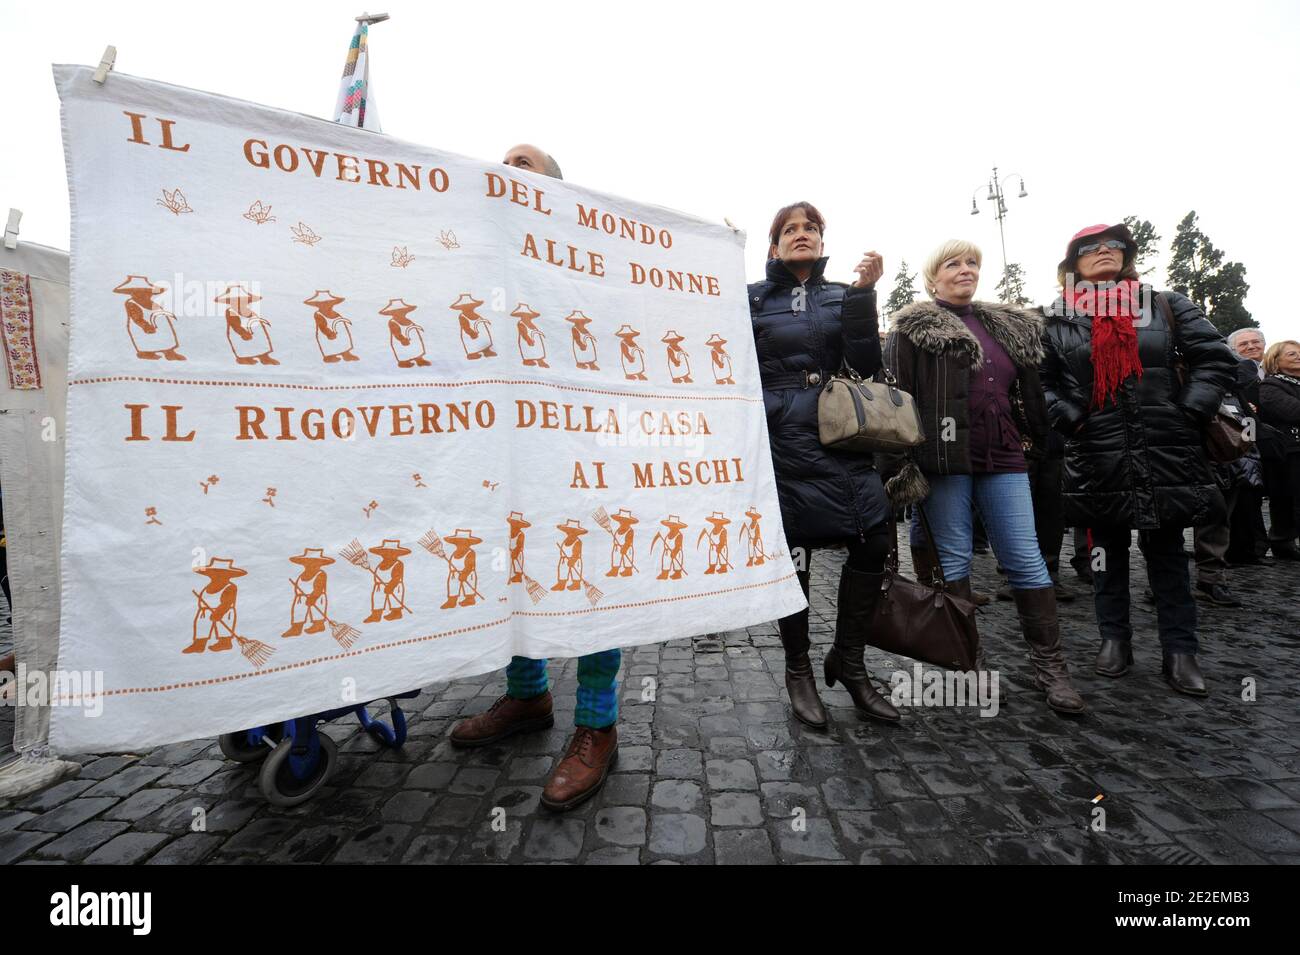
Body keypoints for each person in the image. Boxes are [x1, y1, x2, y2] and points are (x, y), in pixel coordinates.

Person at [449, 145, 620, 814]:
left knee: (593, 574)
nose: (509, 164)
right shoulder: (472, 257)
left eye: (525, 160)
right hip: (500, 451)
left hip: (578, 445)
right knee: (513, 566)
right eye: (503, 159)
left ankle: (599, 723)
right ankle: (527, 693)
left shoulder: (588, 257)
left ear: (553, 187)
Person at [884, 240, 1085, 715]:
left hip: (1005, 455)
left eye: (972, 262)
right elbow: (898, 398)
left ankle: (1050, 668)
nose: (965, 269)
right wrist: (902, 466)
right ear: (932, 279)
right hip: (944, 459)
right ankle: (969, 659)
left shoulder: (1006, 325)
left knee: (1025, 557)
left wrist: (1037, 439)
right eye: (953, 263)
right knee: (953, 557)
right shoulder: (912, 329)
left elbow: (1029, 392)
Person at [1040, 223, 1235, 697]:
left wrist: (1190, 408)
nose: (1103, 251)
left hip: (1165, 443)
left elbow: (1214, 357)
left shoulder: (1165, 304)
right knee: (1105, 552)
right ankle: (1114, 639)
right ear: (1074, 263)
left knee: (1167, 550)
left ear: (1126, 255)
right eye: (1091, 247)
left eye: (1113, 246)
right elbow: (1039, 381)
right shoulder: (1055, 318)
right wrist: (1071, 418)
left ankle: (1180, 649)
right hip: (1097, 448)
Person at [750, 201, 899, 728]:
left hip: (842, 431)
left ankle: (850, 663)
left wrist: (863, 299)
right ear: (773, 246)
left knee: (872, 539)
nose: (801, 234)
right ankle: (798, 671)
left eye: (810, 227)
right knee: (796, 556)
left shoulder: (842, 295)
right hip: (781, 436)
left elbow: (863, 364)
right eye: (789, 229)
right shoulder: (752, 298)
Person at [1259, 341, 1300, 546]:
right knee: (1287, 500)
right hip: (1289, 451)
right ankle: (1283, 542)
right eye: (1292, 354)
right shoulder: (1271, 386)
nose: (1299, 357)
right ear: (1275, 361)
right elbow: (1293, 412)